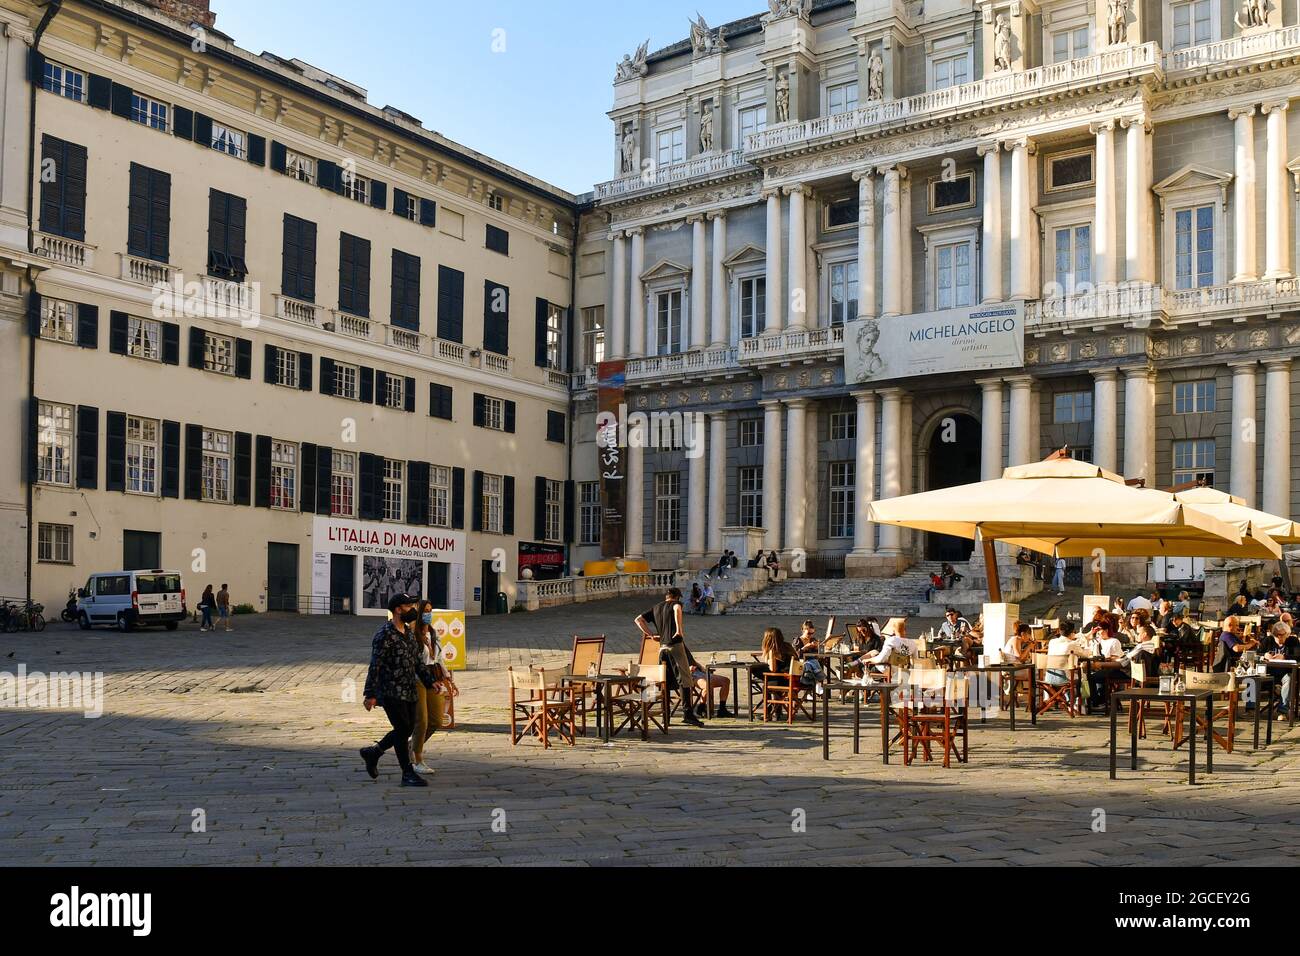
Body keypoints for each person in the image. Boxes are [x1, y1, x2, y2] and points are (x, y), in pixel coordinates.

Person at [361, 593, 438, 787]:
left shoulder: (408, 633)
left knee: (406, 728)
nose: (413, 609)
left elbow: (416, 662)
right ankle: (407, 773)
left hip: (409, 689)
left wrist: (430, 682)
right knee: (403, 729)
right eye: (408, 606)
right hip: (391, 690)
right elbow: (375, 665)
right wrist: (370, 694)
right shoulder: (384, 635)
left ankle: (374, 752)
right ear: (398, 610)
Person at [634, 587, 703, 726]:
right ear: (677, 597)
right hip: (675, 646)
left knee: (665, 682)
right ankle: (688, 714)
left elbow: (638, 620)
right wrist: (679, 630)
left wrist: (651, 635)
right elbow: (677, 609)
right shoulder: (676, 604)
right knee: (685, 680)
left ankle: (666, 715)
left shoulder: (656, 607)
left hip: (662, 649)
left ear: (667, 596)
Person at [410, 600, 456, 775]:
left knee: (436, 720)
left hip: (433, 677)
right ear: (419, 613)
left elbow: (439, 658)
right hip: (417, 678)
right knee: (421, 720)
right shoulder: (412, 634)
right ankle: (418, 758)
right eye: (425, 611)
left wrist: (448, 678)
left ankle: (412, 745)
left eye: (430, 610)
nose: (429, 614)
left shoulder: (433, 633)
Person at [1261, 621, 1299, 718]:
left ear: (1287, 634)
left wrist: (1284, 657)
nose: (1279, 637)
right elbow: (1257, 653)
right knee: (1251, 678)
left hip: (1285, 672)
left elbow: (1298, 656)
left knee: (1289, 680)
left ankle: (1282, 711)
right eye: (1276, 635)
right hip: (1269, 672)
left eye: (1282, 635)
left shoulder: (1293, 641)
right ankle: (1251, 709)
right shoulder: (1268, 640)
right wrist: (1264, 655)